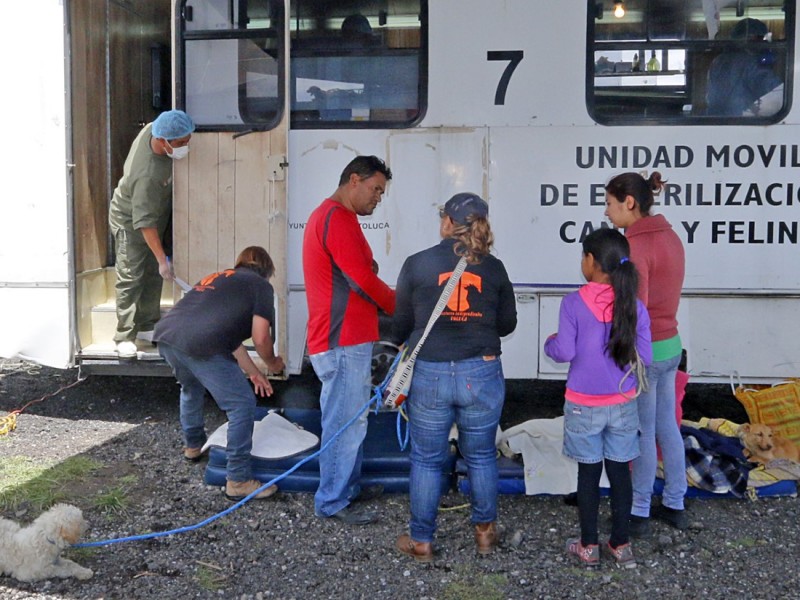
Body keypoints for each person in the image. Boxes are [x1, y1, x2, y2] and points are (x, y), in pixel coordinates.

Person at [392, 193, 517, 562]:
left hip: (429, 371)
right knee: (480, 456)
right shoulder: (494, 268)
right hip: (481, 369)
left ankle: (422, 541)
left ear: (447, 222)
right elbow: (508, 323)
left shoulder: (417, 264)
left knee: (427, 460)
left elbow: (400, 325)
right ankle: (484, 535)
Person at [544, 228, 652, 569]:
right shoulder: (634, 306)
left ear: (590, 262)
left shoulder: (573, 303)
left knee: (588, 476)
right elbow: (645, 357)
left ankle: (588, 546)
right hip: (622, 402)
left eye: (583, 257)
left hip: (582, 404)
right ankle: (621, 544)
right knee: (621, 474)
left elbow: (564, 351)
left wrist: (550, 342)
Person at [302, 155, 396, 525]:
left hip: (344, 336)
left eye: (382, 193)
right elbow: (362, 278)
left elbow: (359, 273)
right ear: (353, 180)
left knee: (351, 418)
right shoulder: (337, 218)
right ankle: (332, 500)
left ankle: (347, 487)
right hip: (341, 339)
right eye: (375, 190)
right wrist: (398, 305)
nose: (378, 198)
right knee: (345, 421)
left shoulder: (334, 218)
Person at [153, 246, 286, 501]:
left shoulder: (218, 278)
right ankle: (238, 479)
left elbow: (232, 340)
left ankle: (193, 445)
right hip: (201, 344)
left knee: (191, 388)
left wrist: (254, 373)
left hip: (168, 336)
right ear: (267, 271)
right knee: (242, 404)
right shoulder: (260, 286)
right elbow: (260, 338)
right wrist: (273, 363)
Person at [604, 171, 688, 536]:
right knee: (668, 425)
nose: (607, 213)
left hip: (648, 349)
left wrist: (621, 352)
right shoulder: (671, 236)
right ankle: (675, 502)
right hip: (672, 343)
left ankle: (638, 510)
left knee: (642, 429)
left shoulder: (636, 248)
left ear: (630, 202)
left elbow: (636, 310)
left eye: (609, 204)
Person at [109, 109, 195, 359]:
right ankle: (123, 335)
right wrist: (161, 259)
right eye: (180, 143)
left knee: (152, 276)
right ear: (163, 141)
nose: (185, 146)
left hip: (152, 217)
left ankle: (147, 325)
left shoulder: (153, 128)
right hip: (131, 222)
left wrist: (158, 261)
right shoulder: (146, 174)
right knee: (131, 275)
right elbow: (144, 223)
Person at [706, 18, 783, 117]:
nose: (763, 44)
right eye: (760, 39)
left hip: (715, 122)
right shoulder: (751, 63)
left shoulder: (718, 61)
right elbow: (776, 91)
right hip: (742, 123)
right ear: (750, 40)